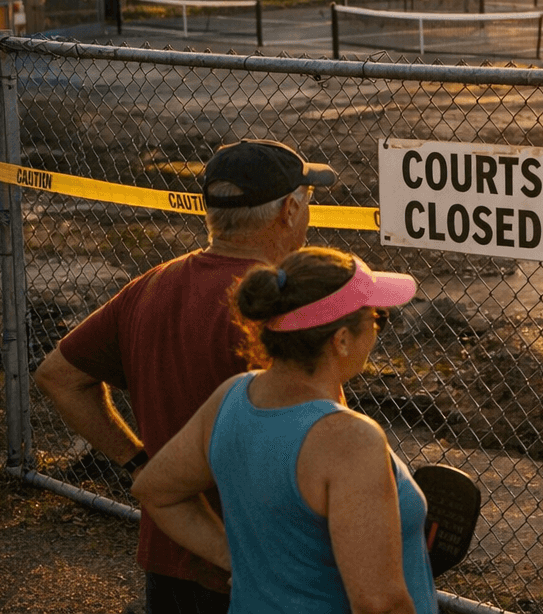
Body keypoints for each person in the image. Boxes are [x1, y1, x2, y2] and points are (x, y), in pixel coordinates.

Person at [34, 139, 337, 613]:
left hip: (172, 549)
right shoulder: (285, 308)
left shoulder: (151, 285)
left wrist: (139, 462)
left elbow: (57, 376)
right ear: (290, 210)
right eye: (307, 199)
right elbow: (323, 445)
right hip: (266, 561)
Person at [132, 247, 438, 614]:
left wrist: (234, 559)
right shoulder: (350, 440)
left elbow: (156, 490)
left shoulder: (231, 398)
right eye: (377, 318)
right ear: (341, 339)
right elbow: (379, 604)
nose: (376, 330)